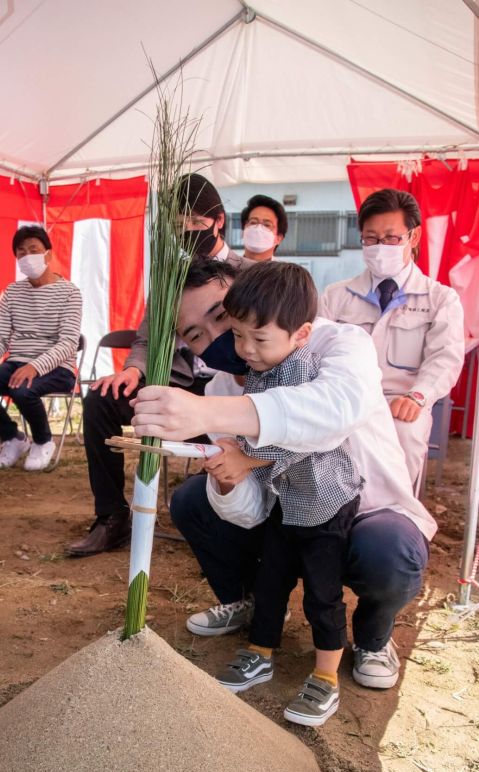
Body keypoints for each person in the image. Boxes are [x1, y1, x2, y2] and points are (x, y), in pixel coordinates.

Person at [132, 258, 436, 696]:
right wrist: (228, 479)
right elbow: (253, 508)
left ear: (246, 293)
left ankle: (372, 636)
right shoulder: (221, 388)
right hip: (290, 517)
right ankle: (250, 604)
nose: (226, 341)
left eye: (222, 316)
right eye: (196, 334)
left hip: (363, 510)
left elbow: (333, 413)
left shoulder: (339, 341)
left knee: (389, 553)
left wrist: (207, 414)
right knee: (193, 501)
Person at [65, 171, 252, 557]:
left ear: (218, 220)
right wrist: (133, 370)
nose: (186, 234)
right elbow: (148, 339)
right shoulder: (170, 278)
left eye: (195, 224)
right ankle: (112, 517)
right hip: (178, 388)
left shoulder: (249, 274)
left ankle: (228, 525)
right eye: (177, 228)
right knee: (100, 399)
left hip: (235, 395)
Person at [209, 263, 363, 727]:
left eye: (259, 339)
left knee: (322, 592)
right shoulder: (260, 368)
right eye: (238, 336)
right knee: (271, 578)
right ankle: (260, 651)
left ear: (301, 334)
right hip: (288, 502)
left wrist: (245, 457)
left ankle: (326, 676)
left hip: (325, 502)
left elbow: (299, 437)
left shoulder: (307, 373)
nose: (246, 350)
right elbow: (255, 425)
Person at [319, 188, 465, 487]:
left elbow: (445, 358)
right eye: (371, 238)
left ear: (414, 237)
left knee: (406, 436)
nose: (379, 246)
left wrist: (418, 395)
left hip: (401, 402)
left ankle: (396, 519)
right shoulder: (336, 296)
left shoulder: (440, 299)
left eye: (391, 238)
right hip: (343, 399)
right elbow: (315, 351)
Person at [0, 225, 82, 472]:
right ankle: (13, 438)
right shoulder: (12, 292)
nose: (27, 257)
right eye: (21, 253)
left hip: (58, 367)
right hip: (16, 363)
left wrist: (35, 366)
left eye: (33, 250)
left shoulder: (70, 292)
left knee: (22, 390)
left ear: (48, 254)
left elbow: (69, 341)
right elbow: (1, 336)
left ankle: (43, 441)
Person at [240, 194, 287, 262]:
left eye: (267, 225)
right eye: (253, 222)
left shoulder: (285, 272)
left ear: (278, 238)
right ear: (243, 230)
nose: (258, 229)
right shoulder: (227, 269)